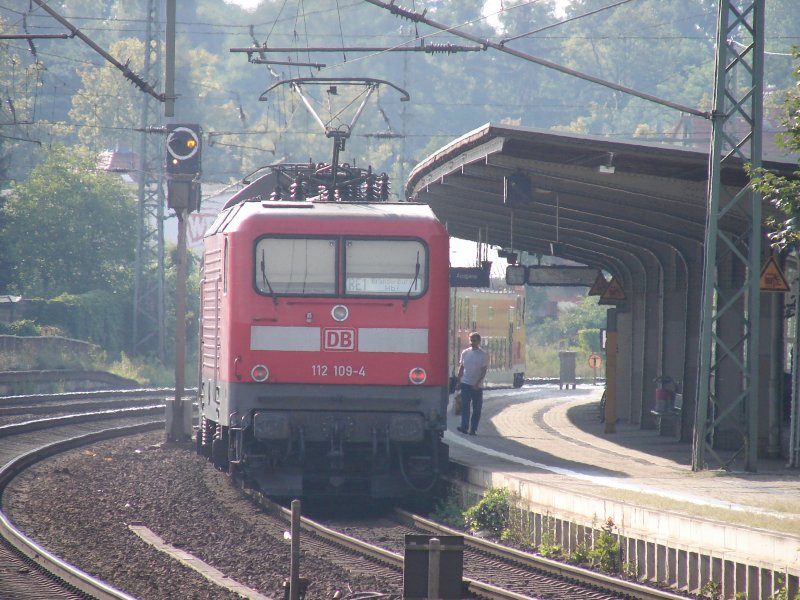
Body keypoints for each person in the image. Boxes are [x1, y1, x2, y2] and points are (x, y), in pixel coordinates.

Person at [456, 332, 489, 435]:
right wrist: (458, 381)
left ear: (479, 342)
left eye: (474, 341)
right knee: (465, 406)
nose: (472, 343)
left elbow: (483, 371)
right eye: (471, 340)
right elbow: (461, 368)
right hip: (465, 383)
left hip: (477, 386)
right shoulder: (465, 353)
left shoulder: (483, 355)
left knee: (477, 408)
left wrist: (477, 383)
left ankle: (473, 429)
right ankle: (464, 427)